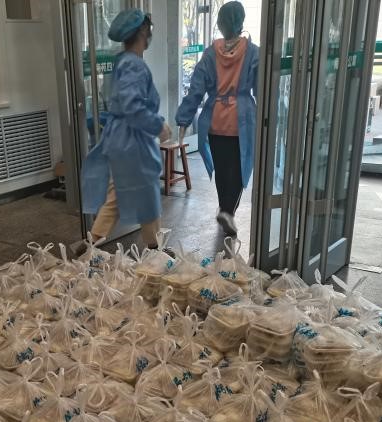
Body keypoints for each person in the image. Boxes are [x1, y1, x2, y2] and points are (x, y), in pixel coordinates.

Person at [79, 9, 172, 252]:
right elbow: (133, 106)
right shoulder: (134, 65)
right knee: (147, 192)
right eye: (149, 29)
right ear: (143, 31)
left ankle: (91, 244)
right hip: (132, 141)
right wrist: (159, 126)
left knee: (117, 194)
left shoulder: (123, 61)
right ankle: (155, 249)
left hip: (120, 138)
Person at [175, 1, 259, 237]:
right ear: (241, 22)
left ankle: (224, 209)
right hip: (242, 122)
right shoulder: (253, 52)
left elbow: (196, 90)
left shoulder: (210, 53)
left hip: (215, 120)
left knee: (222, 169)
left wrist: (184, 119)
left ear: (220, 24)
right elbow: (262, 89)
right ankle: (228, 211)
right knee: (240, 168)